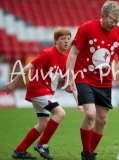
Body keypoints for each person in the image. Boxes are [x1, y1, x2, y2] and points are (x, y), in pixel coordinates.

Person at [64, 1, 119, 160]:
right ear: (103, 15)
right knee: (90, 114)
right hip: (83, 76)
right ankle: (86, 153)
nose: (114, 24)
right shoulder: (87, 28)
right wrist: (69, 78)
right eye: (111, 20)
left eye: (117, 22)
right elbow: (73, 53)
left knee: (102, 120)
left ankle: (89, 154)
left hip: (104, 81)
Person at [4, 27, 71, 159]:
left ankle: (19, 151)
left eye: (68, 39)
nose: (66, 41)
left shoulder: (65, 57)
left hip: (45, 92)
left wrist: (76, 96)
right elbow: (28, 67)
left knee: (43, 123)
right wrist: (14, 82)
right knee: (60, 113)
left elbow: (68, 78)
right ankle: (42, 145)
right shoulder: (48, 53)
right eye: (63, 39)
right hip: (38, 89)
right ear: (55, 41)